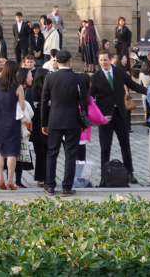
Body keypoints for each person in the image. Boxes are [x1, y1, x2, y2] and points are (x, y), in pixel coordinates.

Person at [90, 49, 147, 186]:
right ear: (99, 61)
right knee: (105, 147)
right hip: (105, 116)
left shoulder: (120, 72)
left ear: (110, 59)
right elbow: (90, 97)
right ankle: (105, 176)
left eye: (105, 59)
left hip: (120, 114)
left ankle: (129, 173)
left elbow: (132, 85)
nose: (103, 62)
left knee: (125, 145)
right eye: (101, 60)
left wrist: (149, 91)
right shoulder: (96, 76)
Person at [40, 50, 88, 195]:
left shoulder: (50, 78)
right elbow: (83, 102)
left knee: (52, 153)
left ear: (56, 62)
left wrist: (44, 122)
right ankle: (66, 186)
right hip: (73, 120)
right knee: (71, 154)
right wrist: (84, 122)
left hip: (54, 119)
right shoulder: (78, 78)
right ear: (70, 62)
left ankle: (49, 185)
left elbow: (44, 101)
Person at [0, 59, 25, 189]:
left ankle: (0, 178)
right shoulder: (18, 87)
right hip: (13, 121)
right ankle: (10, 180)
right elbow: (21, 106)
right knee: (11, 152)